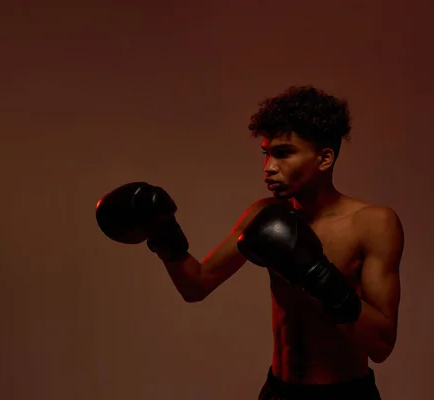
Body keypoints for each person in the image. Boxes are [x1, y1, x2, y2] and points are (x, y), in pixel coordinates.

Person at [95, 85, 404, 399]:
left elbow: (381, 345)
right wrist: (165, 235)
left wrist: (319, 276)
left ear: (325, 158)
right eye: (266, 153)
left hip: (345, 394)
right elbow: (197, 285)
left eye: (283, 153)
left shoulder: (372, 223)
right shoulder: (266, 213)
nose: (268, 167)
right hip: (277, 391)